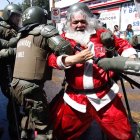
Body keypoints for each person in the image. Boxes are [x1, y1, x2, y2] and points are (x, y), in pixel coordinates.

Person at [47, 2, 137, 140]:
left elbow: (123, 45)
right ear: (69, 23)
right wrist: (72, 59)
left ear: (89, 21)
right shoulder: (64, 39)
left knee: (123, 136)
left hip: (106, 97)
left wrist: (130, 59)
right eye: (75, 22)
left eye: (83, 21)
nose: (79, 25)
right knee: (64, 134)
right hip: (75, 100)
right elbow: (51, 60)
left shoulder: (102, 34)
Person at [9, 6, 73, 140]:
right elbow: (64, 48)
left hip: (15, 85)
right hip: (31, 88)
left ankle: (24, 135)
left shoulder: (22, 34)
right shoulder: (44, 31)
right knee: (43, 126)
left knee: (28, 114)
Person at [0, 4, 22, 139]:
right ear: (9, 15)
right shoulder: (1, 27)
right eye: (15, 16)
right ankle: (14, 126)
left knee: (14, 97)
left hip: (12, 66)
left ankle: (15, 123)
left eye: (18, 16)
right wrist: (12, 47)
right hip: (3, 68)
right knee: (12, 97)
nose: (17, 18)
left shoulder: (16, 28)